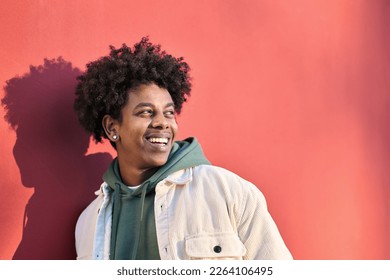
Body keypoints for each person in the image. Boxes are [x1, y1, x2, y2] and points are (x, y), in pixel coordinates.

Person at [73, 37, 292, 260]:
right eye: (146, 112)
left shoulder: (228, 192)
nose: (163, 122)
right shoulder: (89, 222)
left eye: (169, 112)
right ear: (112, 127)